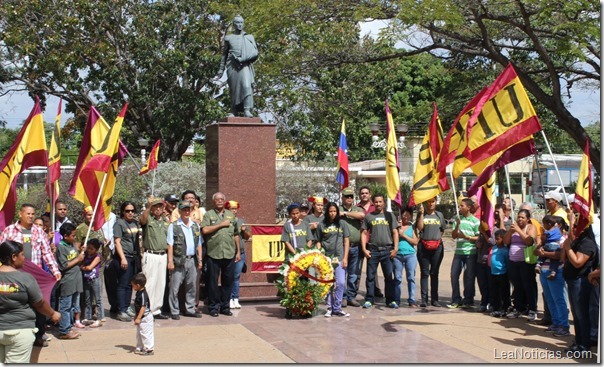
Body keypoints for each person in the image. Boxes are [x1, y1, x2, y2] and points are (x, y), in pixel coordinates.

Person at [0, 203, 61, 347]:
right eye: (28, 213)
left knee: (38, 302)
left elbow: (46, 253)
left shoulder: (39, 232)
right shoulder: (9, 231)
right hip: (13, 275)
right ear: (20, 214)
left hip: (35, 275)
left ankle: (38, 335)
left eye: (33, 214)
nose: (31, 216)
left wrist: (55, 271)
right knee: (16, 302)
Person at [0, 241, 60, 363]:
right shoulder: (25, 278)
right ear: (13, 257)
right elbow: (39, 303)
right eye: (22, 254)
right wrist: (53, 314)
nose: (24, 258)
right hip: (20, 332)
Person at [561, 211, 599, 353]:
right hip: (572, 280)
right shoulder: (578, 240)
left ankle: (585, 344)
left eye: (577, 225)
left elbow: (577, 262)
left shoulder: (587, 243)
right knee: (577, 314)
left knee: (582, 314)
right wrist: (567, 245)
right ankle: (579, 342)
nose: (574, 228)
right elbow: (564, 258)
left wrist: (568, 248)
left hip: (580, 282)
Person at [201, 192, 241, 317]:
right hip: (214, 253)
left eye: (221, 199)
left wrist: (238, 251)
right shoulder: (209, 215)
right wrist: (220, 225)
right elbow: (205, 230)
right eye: (217, 199)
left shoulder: (230, 215)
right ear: (213, 201)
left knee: (228, 281)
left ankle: (225, 306)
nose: (219, 201)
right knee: (212, 282)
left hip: (229, 253)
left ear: (224, 201)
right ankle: (213, 307)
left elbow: (235, 234)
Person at [214, 15, 259, 117]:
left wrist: (243, 58)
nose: (240, 25)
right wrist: (221, 70)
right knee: (234, 89)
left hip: (244, 65)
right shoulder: (228, 38)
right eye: (237, 23)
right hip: (232, 66)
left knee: (246, 86)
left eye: (241, 23)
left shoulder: (249, 37)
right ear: (234, 25)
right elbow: (224, 55)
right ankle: (234, 111)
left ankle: (247, 110)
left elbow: (255, 52)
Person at [360, 193, 399, 309]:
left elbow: (395, 232)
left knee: (389, 277)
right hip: (373, 251)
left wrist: (396, 248)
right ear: (373, 203)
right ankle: (369, 299)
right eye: (376, 202)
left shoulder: (390, 216)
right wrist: (364, 249)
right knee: (370, 277)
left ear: (384, 203)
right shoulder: (369, 216)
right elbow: (363, 232)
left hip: (388, 251)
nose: (378, 204)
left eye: (380, 202)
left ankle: (390, 300)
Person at [167, 200, 203, 319]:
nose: (186, 212)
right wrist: (170, 261)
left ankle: (190, 309)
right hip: (178, 260)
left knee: (191, 286)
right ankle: (174, 311)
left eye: (188, 210)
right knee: (175, 287)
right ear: (180, 211)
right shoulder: (174, 226)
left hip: (192, 260)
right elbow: (170, 245)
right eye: (184, 210)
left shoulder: (195, 225)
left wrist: (200, 260)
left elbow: (199, 244)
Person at [316, 202, 350, 317]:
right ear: (327, 212)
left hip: (339, 258)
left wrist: (345, 257)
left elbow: (346, 241)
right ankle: (329, 307)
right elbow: (318, 241)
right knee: (329, 283)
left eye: (334, 211)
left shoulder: (342, 224)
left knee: (340, 282)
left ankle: (338, 307)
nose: (332, 213)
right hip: (327, 259)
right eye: (330, 211)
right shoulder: (322, 225)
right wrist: (320, 255)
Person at [503, 209, 538, 320]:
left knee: (528, 285)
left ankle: (532, 309)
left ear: (528, 219)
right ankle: (518, 308)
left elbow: (529, 241)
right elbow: (506, 241)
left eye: (522, 217)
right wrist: (510, 232)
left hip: (526, 262)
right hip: (513, 262)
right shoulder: (514, 229)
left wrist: (519, 230)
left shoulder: (530, 227)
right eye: (518, 217)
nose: (519, 219)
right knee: (517, 286)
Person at [140, 197, 170, 320]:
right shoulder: (149, 220)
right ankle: (146, 308)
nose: (158, 209)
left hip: (162, 255)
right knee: (149, 283)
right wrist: (148, 206)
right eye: (155, 207)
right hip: (151, 254)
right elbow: (142, 220)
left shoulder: (165, 222)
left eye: (160, 207)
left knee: (160, 283)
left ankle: (156, 309)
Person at [113, 201, 142, 322]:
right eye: (127, 211)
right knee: (123, 284)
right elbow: (117, 242)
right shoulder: (119, 224)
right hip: (124, 257)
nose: (130, 213)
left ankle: (127, 306)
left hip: (134, 257)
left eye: (132, 211)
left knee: (131, 284)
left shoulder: (135, 223)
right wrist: (123, 258)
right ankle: (121, 309)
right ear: (123, 212)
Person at [448, 198, 480, 309]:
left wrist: (467, 237)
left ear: (469, 208)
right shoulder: (458, 219)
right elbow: (453, 236)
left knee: (469, 277)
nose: (459, 208)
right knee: (453, 275)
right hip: (458, 252)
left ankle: (468, 299)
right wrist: (457, 225)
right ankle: (456, 299)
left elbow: (478, 237)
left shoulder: (475, 221)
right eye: (459, 206)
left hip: (470, 252)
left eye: (462, 206)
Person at [415, 197, 446, 307]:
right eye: (428, 201)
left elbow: (442, 229)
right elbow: (419, 228)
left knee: (434, 273)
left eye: (433, 201)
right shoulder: (421, 215)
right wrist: (421, 214)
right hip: (423, 247)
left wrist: (436, 240)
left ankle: (434, 299)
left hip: (437, 248)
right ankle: (424, 299)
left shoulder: (439, 215)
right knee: (424, 273)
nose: (431, 204)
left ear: (436, 202)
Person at [56, 223, 84, 339]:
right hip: (68, 280)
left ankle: (68, 326)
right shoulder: (61, 247)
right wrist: (78, 259)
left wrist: (81, 254)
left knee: (73, 305)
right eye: (73, 235)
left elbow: (78, 261)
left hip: (76, 280)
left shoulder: (72, 245)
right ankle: (64, 330)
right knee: (65, 306)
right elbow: (63, 265)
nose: (74, 237)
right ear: (66, 236)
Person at [339, 187, 365, 307]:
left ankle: (351, 297)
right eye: (347, 196)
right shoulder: (337, 209)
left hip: (356, 246)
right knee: (341, 273)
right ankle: (343, 297)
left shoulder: (357, 208)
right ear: (342, 197)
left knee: (354, 273)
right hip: (342, 247)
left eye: (351, 196)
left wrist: (345, 214)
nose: (349, 198)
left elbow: (361, 215)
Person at [225, 200, 251, 309]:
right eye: (232, 208)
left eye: (235, 209)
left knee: (236, 276)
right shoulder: (225, 221)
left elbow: (248, 236)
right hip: (228, 251)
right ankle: (229, 298)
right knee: (229, 276)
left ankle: (235, 298)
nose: (234, 211)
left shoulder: (241, 221)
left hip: (240, 252)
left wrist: (244, 231)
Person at [393, 207, 419, 308]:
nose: (406, 217)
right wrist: (397, 229)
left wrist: (403, 235)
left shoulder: (412, 227)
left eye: (408, 215)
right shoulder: (396, 227)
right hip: (397, 255)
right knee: (397, 278)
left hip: (410, 255)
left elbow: (415, 241)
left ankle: (411, 299)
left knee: (411, 278)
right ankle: (397, 300)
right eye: (404, 214)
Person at [80, 238, 104, 328]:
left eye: (91, 249)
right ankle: (87, 317)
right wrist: (82, 250)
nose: (89, 250)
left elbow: (89, 267)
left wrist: (83, 268)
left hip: (95, 279)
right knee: (87, 300)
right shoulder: (85, 255)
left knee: (98, 299)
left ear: (96, 249)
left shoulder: (98, 257)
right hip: (87, 279)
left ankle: (100, 318)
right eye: (88, 248)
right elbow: (80, 261)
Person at [489, 230, 511, 318]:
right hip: (493, 273)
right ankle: (496, 308)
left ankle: (505, 308)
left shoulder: (505, 250)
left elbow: (507, 262)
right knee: (495, 292)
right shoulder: (494, 248)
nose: (496, 241)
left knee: (504, 292)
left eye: (498, 239)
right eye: (495, 239)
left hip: (503, 273)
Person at [131, 273, 154, 356]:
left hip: (145, 318)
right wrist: (136, 316)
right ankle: (140, 347)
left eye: (133, 285)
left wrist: (139, 318)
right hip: (141, 317)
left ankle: (149, 349)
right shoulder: (138, 292)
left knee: (146, 333)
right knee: (139, 333)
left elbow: (143, 307)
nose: (132, 287)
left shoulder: (143, 294)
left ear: (138, 285)